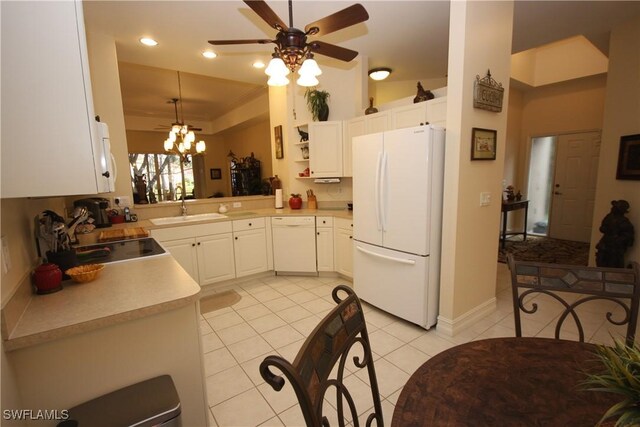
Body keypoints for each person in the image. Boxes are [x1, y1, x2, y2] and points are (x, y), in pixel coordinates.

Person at [595, 200, 635, 268]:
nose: (612, 208)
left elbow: (628, 236)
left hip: (615, 249)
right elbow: (602, 227)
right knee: (600, 261)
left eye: (615, 207)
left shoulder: (624, 222)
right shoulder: (609, 217)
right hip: (604, 244)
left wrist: (617, 240)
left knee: (613, 265)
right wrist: (605, 229)